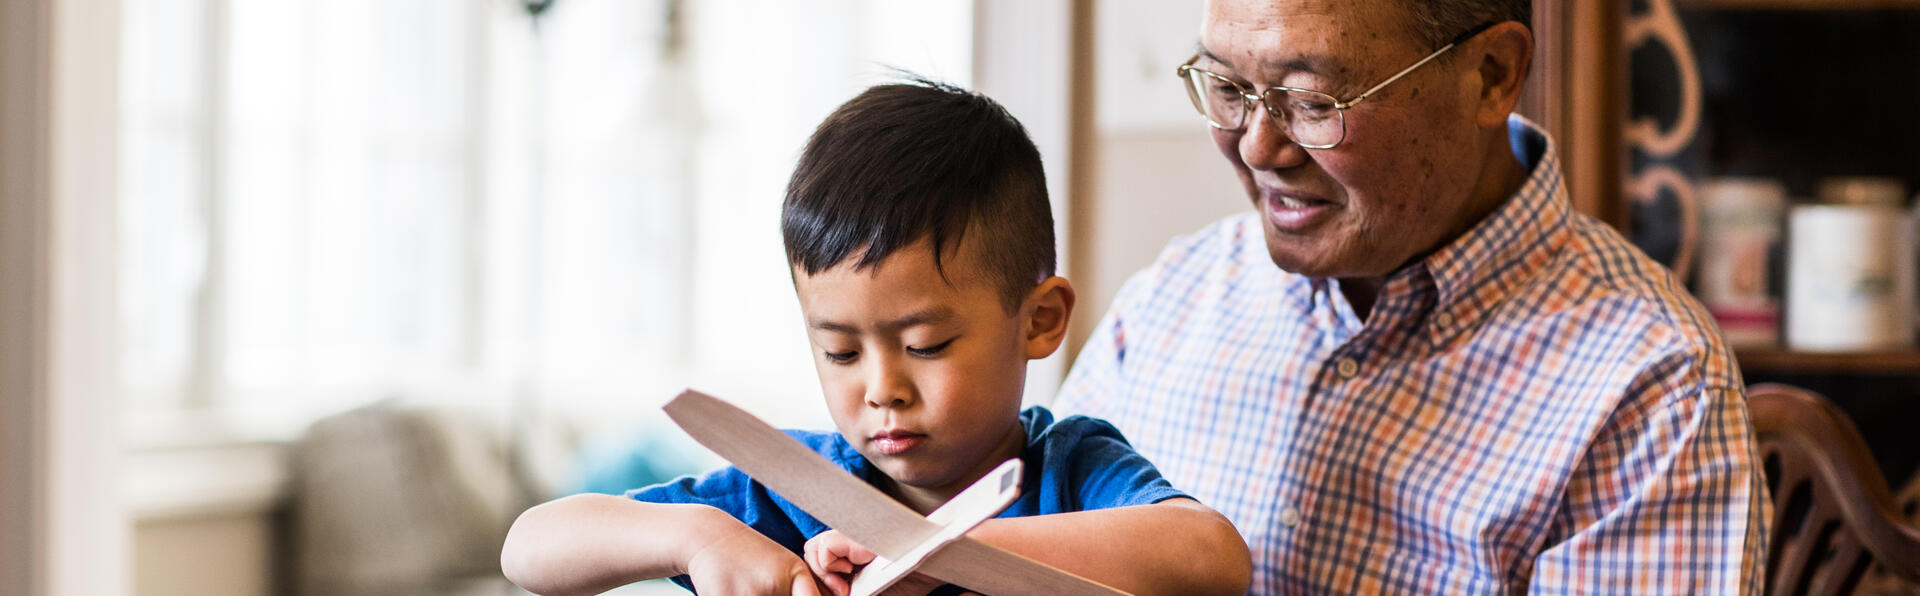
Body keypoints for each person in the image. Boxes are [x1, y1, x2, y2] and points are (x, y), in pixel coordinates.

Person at [1053, 1, 1770, 593]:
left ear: (1493, 75)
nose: (1258, 148)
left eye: (1311, 100)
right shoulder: (1175, 296)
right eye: (1230, 89)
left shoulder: (1652, 390)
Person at [500, 78, 1252, 596]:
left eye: (925, 344)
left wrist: (943, 551)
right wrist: (697, 536)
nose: (881, 389)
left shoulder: (1071, 473)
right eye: (840, 352)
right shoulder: (794, 490)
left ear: (1040, 320)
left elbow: (1212, 559)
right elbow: (530, 547)